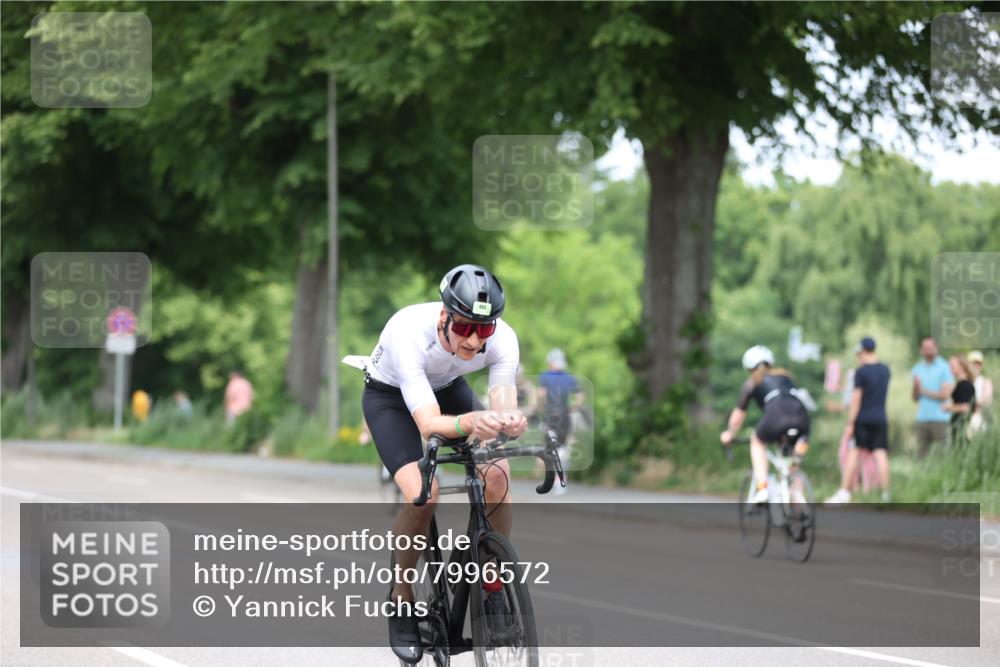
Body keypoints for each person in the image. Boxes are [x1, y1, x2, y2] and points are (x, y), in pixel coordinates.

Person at [362, 264, 526, 663]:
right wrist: (471, 422)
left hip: (448, 388)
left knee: (498, 474)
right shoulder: (408, 335)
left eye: (483, 330)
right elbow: (430, 424)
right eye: (465, 327)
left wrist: (510, 422)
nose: (474, 340)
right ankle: (401, 597)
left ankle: (490, 583)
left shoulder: (502, 338)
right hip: (391, 398)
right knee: (424, 492)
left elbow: (503, 404)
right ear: (444, 316)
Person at [720, 345, 811, 504]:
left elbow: (737, 417)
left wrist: (730, 434)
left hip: (776, 416)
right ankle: (798, 503)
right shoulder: (786, 376)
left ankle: (763, 489)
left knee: (757, 441)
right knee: (792, 465)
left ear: (749, 368)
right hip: (801, 417)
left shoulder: (752, 383)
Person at [826, 337, 891, 504]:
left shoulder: (861, 372)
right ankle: (885, 494)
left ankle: (844, 492)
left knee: (854, 453)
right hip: (880, 417)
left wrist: (850, 423)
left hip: (863, 418)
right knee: (881, 454)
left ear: (862, 352)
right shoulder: (885, 370)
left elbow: (856, 400)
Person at [537, 348, 583, 495]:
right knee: (563, 449)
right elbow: (580, 397)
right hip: (565, 417)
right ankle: (560, 481)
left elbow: (541, 395)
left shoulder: (545, 376)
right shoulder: (570, 378)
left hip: (550, 416)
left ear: (551, 362)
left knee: (550, 448)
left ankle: (550, 481)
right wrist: (571, 408)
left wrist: (541, 408)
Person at [911, 336, 954, 457]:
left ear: (936, 348)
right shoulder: (917, 368)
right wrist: (916, 388)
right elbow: (915, 398)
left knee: (943, 454)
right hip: (922, 417)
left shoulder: (945, 367)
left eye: (930, 348)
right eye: (925, 348)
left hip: (940, 417)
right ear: (921, 350)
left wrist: (923, 391)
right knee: (921, 455)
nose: (928, 351)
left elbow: (945, 394)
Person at [945, 355, 976, 445]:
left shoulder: (964, 385)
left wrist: (949, 407)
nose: (950, 368)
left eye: (952, 366)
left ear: (961, 367)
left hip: (962, 427)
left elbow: (966, 407)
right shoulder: (960, 384)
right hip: (957, 426)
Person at [968, 350, 993, 433]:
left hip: (979, 417)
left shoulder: (985, 381)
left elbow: (987, 401)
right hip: (966, 418)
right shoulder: (965, 381)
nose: (976, 366)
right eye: (973, 364)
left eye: (978, 364)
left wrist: (971, 403)